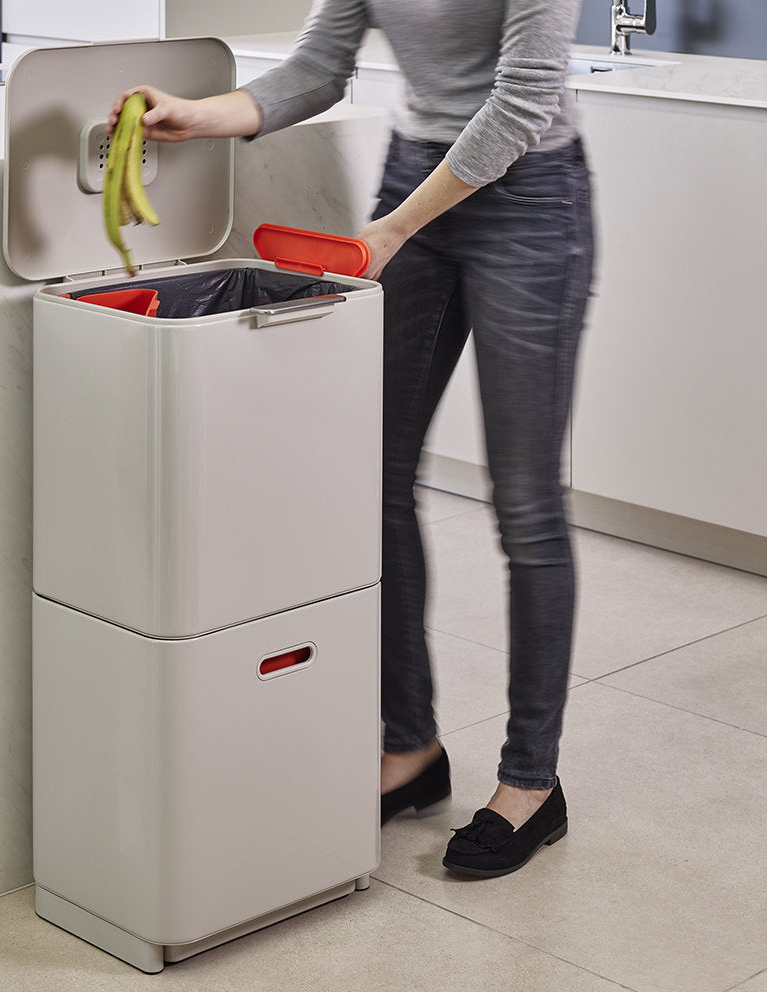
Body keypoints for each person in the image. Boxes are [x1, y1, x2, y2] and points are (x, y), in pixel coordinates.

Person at [111, 0, 593, 878]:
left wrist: (397, 228)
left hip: (527, 195)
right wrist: (201, 116)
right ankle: (410, 747)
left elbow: (523, 100)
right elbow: (317, 67)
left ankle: (530, 782)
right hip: (419, 179)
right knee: (372, 476)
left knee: (524, 506)